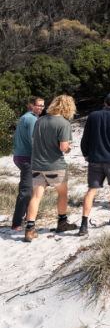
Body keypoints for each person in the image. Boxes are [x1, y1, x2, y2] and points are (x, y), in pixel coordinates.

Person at [24, 95, 78, 242]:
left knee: (36, 197)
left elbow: (33, 141)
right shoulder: (63, 123)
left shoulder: (39, 120)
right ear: (68, 107)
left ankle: (29, 229)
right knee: (62, 193)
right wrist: (67, 150)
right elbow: (63, 147)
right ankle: (62, 222)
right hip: (55, 165)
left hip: (37, 164)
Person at [79, 93, 110, 236]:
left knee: (91, 191)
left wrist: (85, 153)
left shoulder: (93, 116)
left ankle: (83, 224)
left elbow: (85, 137)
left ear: (104, 102)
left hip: (95, 158)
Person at [11, 96, 44, 231]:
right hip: (27, 158)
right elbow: (34, 140)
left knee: (30, 189)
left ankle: (26, 216)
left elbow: (14, 138)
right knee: (26, 190)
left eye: (42, 106)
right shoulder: (32, 119)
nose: (41, 108)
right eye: (38, 105)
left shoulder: (24, 117)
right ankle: (17, 223)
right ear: (31, 105)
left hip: (19, 156)